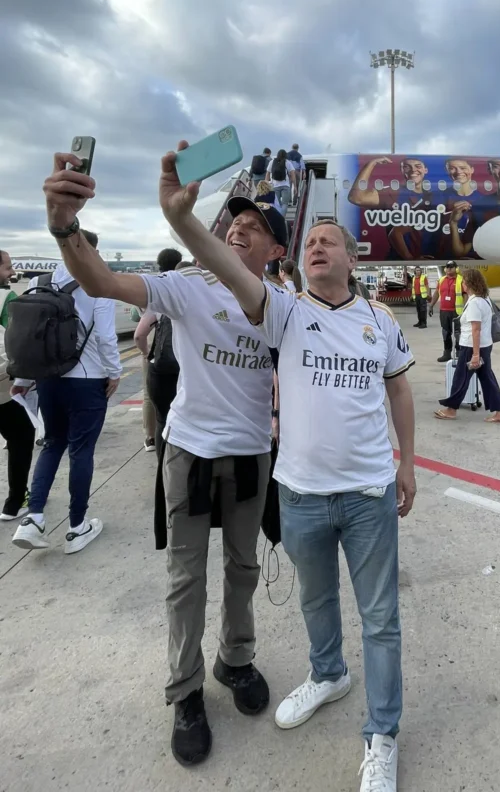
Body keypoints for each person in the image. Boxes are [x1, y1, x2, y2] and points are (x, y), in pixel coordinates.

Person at [160, 174, 416, 792]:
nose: (317, 247)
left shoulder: (380, 320)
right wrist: (184, 220)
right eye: (310, 243)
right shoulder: (283, 310)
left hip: (368, 493)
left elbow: (400, 386)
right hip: (299, 492)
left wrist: (407, 463)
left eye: (330, 240)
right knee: (316, 601)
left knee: (380, 618)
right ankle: (328, 674)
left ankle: (381, 733)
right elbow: (226, 261)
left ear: (352, 258)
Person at [39, 148, 288, 768]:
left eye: (253, 227)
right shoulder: (185, 287)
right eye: (232, 222)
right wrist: (66, 228)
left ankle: (236, 658)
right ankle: (185, 690)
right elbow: (102, 283)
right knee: (185, 579)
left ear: (276, 250)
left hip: (252, 456)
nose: (238, 227)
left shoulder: (284, 306)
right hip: (191, 454)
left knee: (241, 569)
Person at [11, 230, 122, 555]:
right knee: (81, 450)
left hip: (47, 378)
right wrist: (114, 372)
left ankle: (33, 518)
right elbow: (104, 336)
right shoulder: (96, 283)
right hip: (86, 380)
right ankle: (77, 526)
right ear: (89, 249)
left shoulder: (43, 282)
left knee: (52, 444)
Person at [434, 268, 500, 423]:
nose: (463, 285)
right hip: (484, 345)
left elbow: (476, 329)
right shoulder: (485, 299)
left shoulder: (475, 303)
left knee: (461, 378)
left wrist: (475, 354)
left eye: (464, 282)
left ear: (469, 284)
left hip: (472, 347)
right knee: (487, 378)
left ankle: (451, 409)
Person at [0, 249, 36, 522]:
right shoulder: (7, 298)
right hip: (2, 387)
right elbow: (17, 342)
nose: (12, 273)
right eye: (7, 268)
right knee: (22, 436)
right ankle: (15, 501)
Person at [135, 249, 182, 453]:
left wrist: (146, 353)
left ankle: (150, 437)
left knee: (150, 396)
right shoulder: (180, 287)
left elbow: (139, 334)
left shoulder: (152, 287)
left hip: (157, 348)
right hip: (180, 349)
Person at [429, 262, 464, 363]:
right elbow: (436, 293)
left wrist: (467, 308)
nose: (449, 269)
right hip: (444, 311)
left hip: (457, 311)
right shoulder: (441, 280)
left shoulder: (460, 280)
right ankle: (447, 353)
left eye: (451, 267)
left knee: (458, 333)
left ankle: (459, 353)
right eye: (447, 267)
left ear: (456, 268)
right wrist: (431, 305)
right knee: (445, 332)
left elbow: (465, 294)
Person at [267, 149, 296, 214]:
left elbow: (268, 173)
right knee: (285, 204)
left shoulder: (272, 162)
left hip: (275, 186)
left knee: (277, 204)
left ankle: (278, 217)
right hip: (285, 185)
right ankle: (282, 218)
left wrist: (266, 184)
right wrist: (295, 186)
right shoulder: (287, 162)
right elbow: (293, 175)